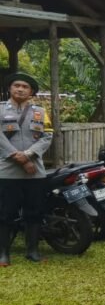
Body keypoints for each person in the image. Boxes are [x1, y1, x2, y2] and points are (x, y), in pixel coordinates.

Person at [0, 72, 53, 266]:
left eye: (25, 87)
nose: (20, 89)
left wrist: (29, 154)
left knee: (35, 212)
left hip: (35, 172)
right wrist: (18, 157)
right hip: (8, 171)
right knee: (5, 213)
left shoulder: (40, 112)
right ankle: (3, 253)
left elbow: (48, 136)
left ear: (31, 92)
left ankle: (33, 251)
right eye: (17, 85)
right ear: (10, 88)